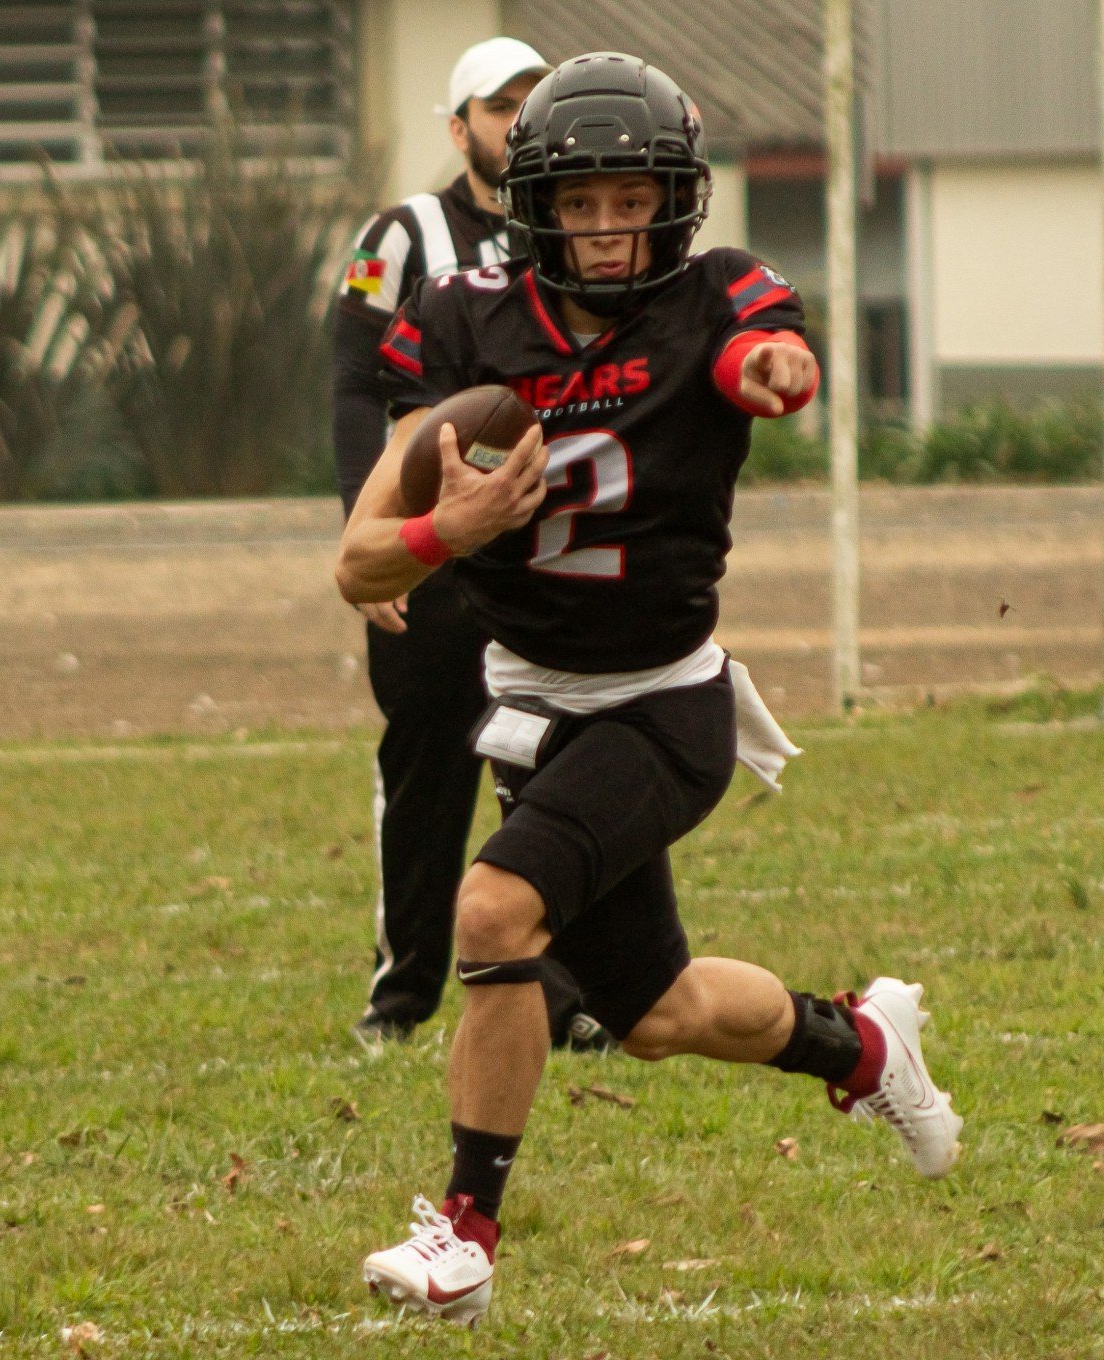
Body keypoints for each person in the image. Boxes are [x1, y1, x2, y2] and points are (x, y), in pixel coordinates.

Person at [334, 52, 965, 1325]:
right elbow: (354, 561)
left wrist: (775, 373)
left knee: (495, 910)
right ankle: (863, 1045)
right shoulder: (465, 318)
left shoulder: (715, 296)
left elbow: (760, 356)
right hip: (532, 702)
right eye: (584, 204)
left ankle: (464, 1237)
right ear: (539, 207)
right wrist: (441, 534)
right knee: (659, 1012)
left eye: (635, 200)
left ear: (675, 200)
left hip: (666, 704)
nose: (612, 230)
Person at [331, 36, 602, 1050]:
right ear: (460, 128)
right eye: (500, 108)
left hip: (539, 554)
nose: (517, 123)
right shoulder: (402, 238)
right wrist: (378, 540)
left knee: (554, 768)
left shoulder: (579, 234)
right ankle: (400, 998)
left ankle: (568, 998)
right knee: (427, 770)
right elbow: (357, 385)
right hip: (434, 546)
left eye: (535, 105)